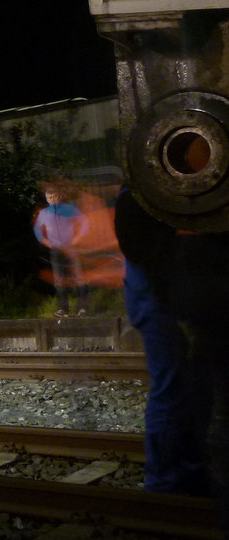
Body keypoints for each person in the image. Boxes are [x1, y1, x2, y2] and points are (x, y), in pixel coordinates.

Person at [116, 188, 228, 529]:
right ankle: (163, 485)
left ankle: (191, 475)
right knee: (173, 385)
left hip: (183, 290)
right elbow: (144, 248)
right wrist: (180, 308)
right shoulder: (143, 191)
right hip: (159, 292)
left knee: (197, 387)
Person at [33, 182, 90, 317]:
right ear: (46, 198)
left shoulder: (69, 209)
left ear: (59, 196)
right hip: (56, 250)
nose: (51, 198)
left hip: (72, 248)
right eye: (48, 196)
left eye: (53, 195)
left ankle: (82, 308)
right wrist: (45, 242)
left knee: (79, 278)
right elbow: (37, 229)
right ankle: (62, 309)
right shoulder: (44, 213)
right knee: (59, 280)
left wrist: (78, 239)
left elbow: (85, 223)